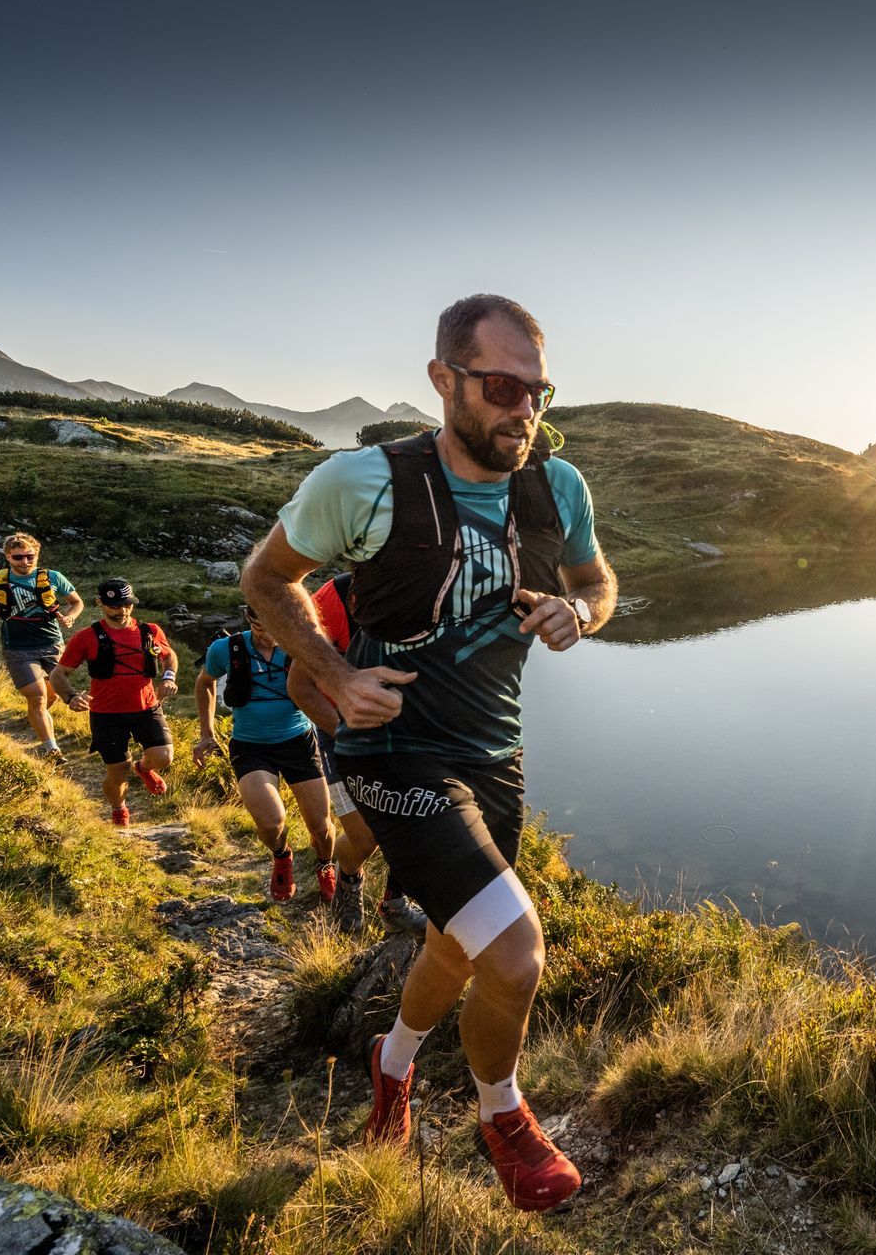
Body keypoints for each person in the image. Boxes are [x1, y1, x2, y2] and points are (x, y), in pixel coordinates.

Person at [242, 294, 615, 1212]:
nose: (522, 411)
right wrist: (331, 672)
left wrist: (583, 612)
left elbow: (597, 579)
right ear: (444, 380)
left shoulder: (557, 488)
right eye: (499, 387)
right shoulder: (361, 481)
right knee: (518, 954)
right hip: (391, 748)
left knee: (455, 939)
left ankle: (391, 1063)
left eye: (536, 391)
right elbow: (266, 578)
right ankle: (504, 1115)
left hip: (494, 750)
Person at [285, 571, 429, 935]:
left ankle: (394, 903)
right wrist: (349, 734)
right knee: (366, 837)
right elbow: (300, 687)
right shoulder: (336, 598)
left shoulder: (442, 596)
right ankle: (348, 880)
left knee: (419, 819)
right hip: (342, 730)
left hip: (408, 730)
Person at [192, 605, 338, 903]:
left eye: (276, 629)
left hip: (299, 742)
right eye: (262, 629)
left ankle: (325, 866)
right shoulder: (226, 649)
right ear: (250, 619)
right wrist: (207, 733)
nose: (270, 636)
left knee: (321, 828)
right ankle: (282, 856)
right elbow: (204, 682)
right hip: (250, 746)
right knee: (272, 822)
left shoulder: (300, 646)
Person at [50, 578, 179, 825]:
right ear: (100, 603)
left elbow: (169, 655)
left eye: (127, 605)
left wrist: (169, 677)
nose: (122, 610)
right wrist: (71, 697)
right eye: (115, 605)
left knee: (163, 757)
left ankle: (142, 768)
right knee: (117, 772)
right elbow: (58, 674)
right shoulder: (86, 637)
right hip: (106, 714)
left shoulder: (150, 631)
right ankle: (119, 810)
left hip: (146, 707)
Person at [0, 532, 85, 762]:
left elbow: (76, 602)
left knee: (51, 694)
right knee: (37, 696)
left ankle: (38, 721)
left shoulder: (53, 577)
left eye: (29, 556)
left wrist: (70, 617)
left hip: (52, 644)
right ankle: (51, 750)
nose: (24, 561)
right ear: (8, 557)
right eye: (18, 557)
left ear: (37, 555)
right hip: (17, 648)